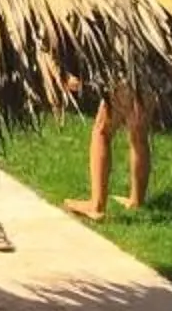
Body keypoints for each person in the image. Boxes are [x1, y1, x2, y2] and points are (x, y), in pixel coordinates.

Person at [63, 83, 152, 218]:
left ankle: (96, 206)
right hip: (152, 78)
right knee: (139, 133)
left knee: (102, 131)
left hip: (125, 78)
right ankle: (136, 200)